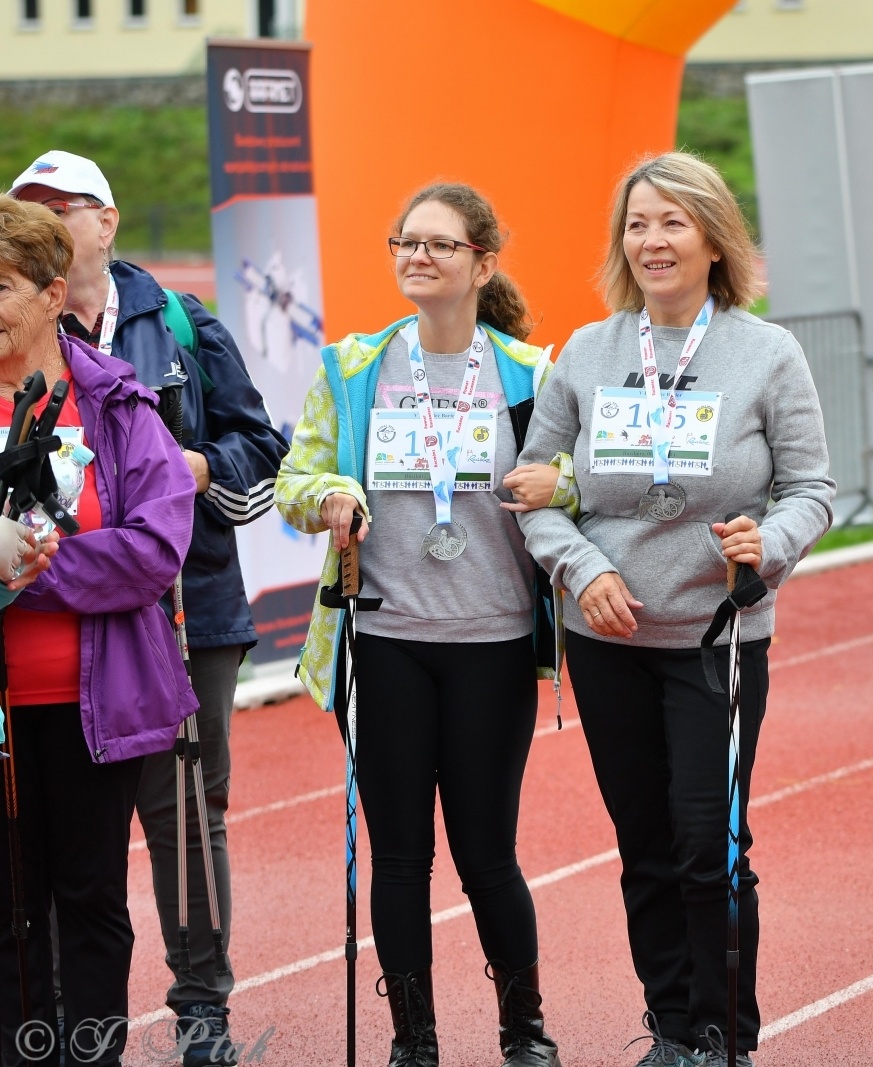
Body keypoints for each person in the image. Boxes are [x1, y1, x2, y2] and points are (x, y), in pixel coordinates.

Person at [517, 153, 834, 1067]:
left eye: (672, 223)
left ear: (712, 237)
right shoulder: (586, 350)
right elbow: (538, 492)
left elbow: (812, 486)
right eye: (636, 224)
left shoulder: (768, 353)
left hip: (717, 638)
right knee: (645, 845)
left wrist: (767, 545)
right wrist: (581, 570)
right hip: (608, 637)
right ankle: (671, 1030)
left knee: (709, 841)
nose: (652, 241)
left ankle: (725, 1037)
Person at [9, 148, 289, 1067]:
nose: (52, 214)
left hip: (186, 606)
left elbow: (258, 444)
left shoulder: (176, 321)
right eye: (31, 204)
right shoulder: (19, 334)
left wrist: (188, 472)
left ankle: (201, 1001)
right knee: (52, 860)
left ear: (108, 219)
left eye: (67, 204)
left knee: (185, 815)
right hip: (63, 642)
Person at [275, 183, 565, 1067]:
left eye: (440, 245)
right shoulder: (352, 368)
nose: (418, 257)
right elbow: (295, 481)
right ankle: (415, 1040)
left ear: (482, 262)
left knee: (486, 852)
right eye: (406, 242)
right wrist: (330, 496)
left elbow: (573, 487)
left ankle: (524, 1030)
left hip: (493, 643)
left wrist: (555, 486)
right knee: (399, 856)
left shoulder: (530, 373)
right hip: (385, 641)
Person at [0, 195, 198, 1066]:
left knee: (87, 898)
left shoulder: (117, 400)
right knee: (6, 905)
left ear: (51, 293)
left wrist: (33, 569)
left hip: (95, 705)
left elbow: (156, 548)